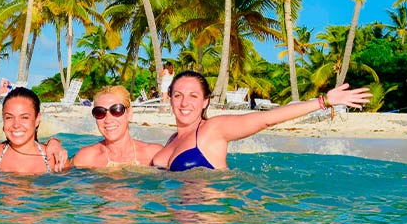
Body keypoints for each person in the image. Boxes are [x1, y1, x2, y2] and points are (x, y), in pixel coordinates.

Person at [152, 70, 372, 171]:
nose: (184, 103)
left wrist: (324, 101)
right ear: (170, 99)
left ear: (205, 101)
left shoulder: (212, 129)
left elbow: (266, 119)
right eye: (178, 95)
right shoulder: (172, 140)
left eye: (193, 96)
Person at [72, 85, 163, 168]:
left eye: (116, 110)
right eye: (99, 112)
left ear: (129, 113)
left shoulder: (154, 154)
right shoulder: (85, 158)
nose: (108, 120)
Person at [0, 87, 63, 174]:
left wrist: (54, 141)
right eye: (9, 117)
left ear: (37, 119)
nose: (16, 125)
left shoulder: (55, 159)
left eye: (24, 117)